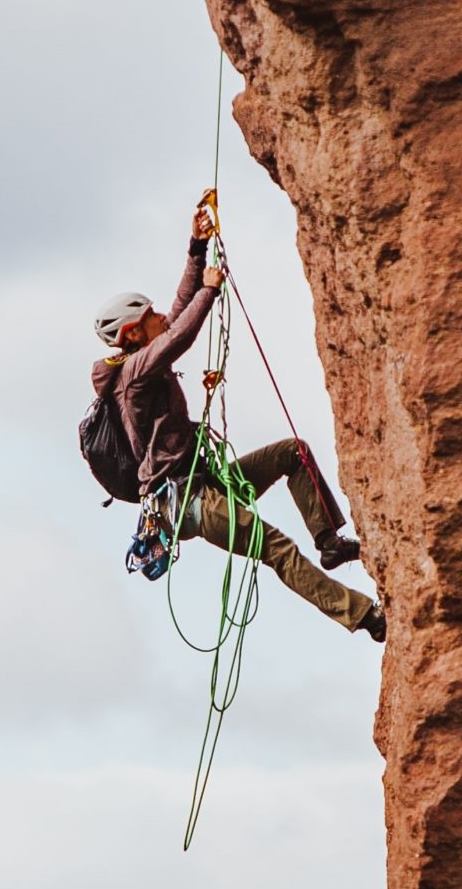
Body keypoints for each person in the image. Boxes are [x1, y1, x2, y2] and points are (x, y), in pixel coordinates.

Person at [91, 203, 386, 643]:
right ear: (132, 333)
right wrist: (209, 291)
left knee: (293, 452)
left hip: (203, 482)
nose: (159, 317)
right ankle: (364, 617)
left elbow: (177, 313)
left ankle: (330, 543)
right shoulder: (133, 375)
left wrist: (197, 247)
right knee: (277, 549)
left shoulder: (142, 359)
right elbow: (180, 333)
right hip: (188, 500)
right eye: (149, 316)